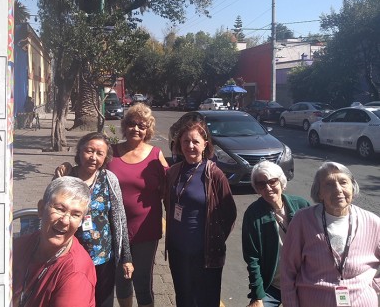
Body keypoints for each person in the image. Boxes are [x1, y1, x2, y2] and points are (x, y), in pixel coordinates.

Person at [280, 161, 380, 307]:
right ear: (319, 192)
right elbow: (288, 271)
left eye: (343, 182)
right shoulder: (302, 221)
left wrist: (373, 286)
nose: (338, 189)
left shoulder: (373, 222)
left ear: (352, 187)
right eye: (329, 184)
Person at [163, 116, 237, 307]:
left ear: (205, 144)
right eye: (186, 141)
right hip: (178, 252)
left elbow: (229, 214)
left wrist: (214, 238)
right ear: (179, 143)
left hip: (205, 254)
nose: (190, 146)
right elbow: (168, 204)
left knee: (206, 300)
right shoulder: (174, 171)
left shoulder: (215, 175)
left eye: (195, 141)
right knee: (184, 298)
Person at [54, 132, 134, 307]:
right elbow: (52, 212)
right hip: (71, 257)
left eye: (100, 153)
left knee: (103, 301)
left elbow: (119, 219)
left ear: (106, 157)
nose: (93, 157)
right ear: (80, 151)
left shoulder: (109, 179)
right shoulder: (67, 178)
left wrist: (126, 257)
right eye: (89, 151)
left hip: (103, 257)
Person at [106, 103, 168, 307]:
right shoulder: (111, 153)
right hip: (115, 229)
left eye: (142, 125)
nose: (136, 129)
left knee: (142, 280)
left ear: (148, 130)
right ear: (125, 126)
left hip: (146, 229)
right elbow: (89, 170)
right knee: (122, 280)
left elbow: (170, 188)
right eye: (132, 124)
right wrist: (68, 167)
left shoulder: (155, 155)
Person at [12, 177, 97, 307]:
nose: (65, 220)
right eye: (60, 209)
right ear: (41, 208)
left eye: (75, 215)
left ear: (81, 221)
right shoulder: (19, 246)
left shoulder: (75, 273)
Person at [242, 160, 310, 307]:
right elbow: (252, 258)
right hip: (272, 285)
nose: (268, 188)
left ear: (281, 182)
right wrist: (257, 296)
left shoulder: (302, 206)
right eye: (261, 184)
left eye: (272, 181)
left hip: (302, 282)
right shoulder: (253, 214)